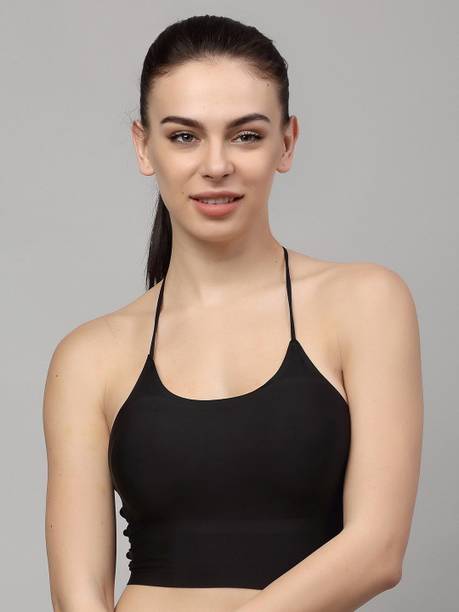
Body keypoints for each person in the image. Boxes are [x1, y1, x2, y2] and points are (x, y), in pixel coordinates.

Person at [43, 14, 424, 612]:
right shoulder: (89, 356)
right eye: (184, 136)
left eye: (246, 135)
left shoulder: (365, 303)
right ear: (144, 147)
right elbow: (79, 595)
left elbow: (378, 550)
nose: (216, 164)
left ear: (286, 143)